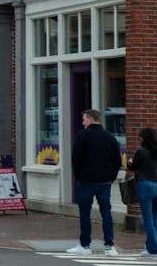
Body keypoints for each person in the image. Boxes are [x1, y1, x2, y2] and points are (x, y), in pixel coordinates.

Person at [66, 109, 121, 256]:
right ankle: (109, 246)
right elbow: (117, 161)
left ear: (90, 119)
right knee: (106, 213)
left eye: (84, 119)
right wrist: (111, 177)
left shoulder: (82, 136)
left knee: (85, 213)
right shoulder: (109, 137)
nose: (83, 122)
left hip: (86, 180)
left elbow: (76, 159)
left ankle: (85, 245)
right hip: (104, 181)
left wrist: (79, 176)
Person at [127, 127, 157, 257]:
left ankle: (153, 248)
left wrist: (129, 162)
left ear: (143, 139)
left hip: (145, 185)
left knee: (148, 218)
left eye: (140, 138)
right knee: (155, 217)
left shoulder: (141, 152)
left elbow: (134, 167)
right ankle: (150, 246)